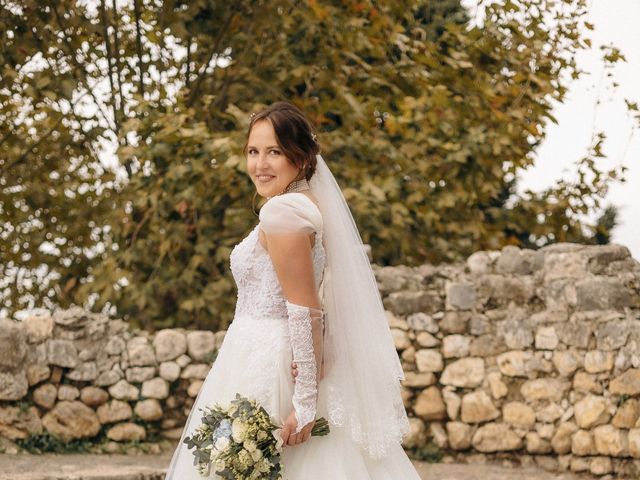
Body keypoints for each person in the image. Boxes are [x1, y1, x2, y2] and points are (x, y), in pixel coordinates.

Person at [164, 101, 421, 479]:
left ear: (299, 158)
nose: (260, 164)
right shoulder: (305, 205)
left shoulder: (282, 212)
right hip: (263, 352)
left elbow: (304, 306)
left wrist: (304, 402)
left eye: (275, 152)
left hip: (271, 362)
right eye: (253, 152)